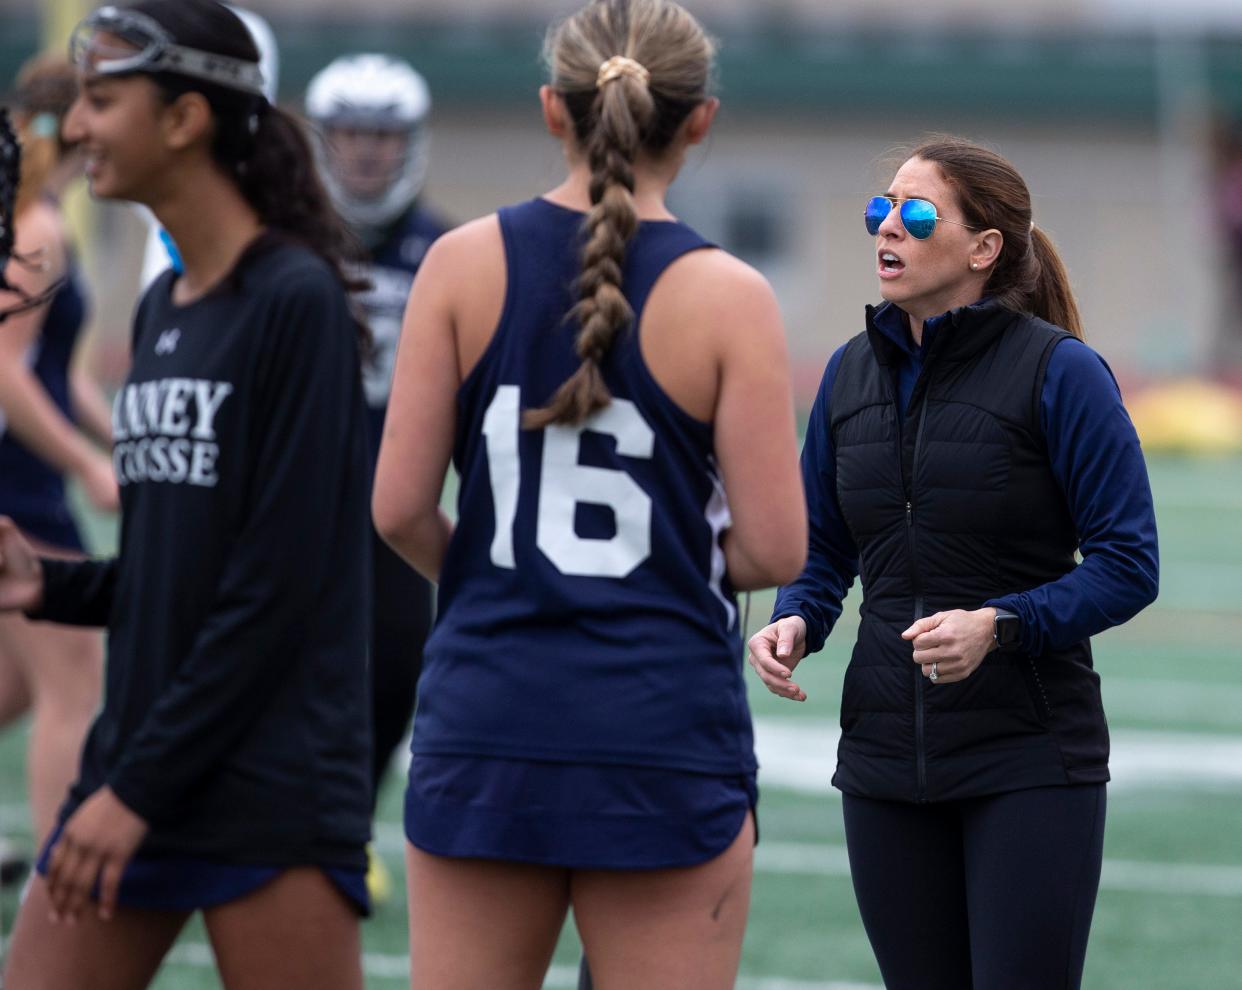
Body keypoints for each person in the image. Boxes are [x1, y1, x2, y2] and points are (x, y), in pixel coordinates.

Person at [371, 1, 807, 987]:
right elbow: (779, 550)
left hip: (487, 718)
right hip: (659, 729)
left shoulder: (459, 261)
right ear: (700, 120)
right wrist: (657, 561)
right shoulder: (732, 295)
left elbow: (396, 507)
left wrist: (497, 566)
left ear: (550, 110)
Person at [0, 3, 373, 988]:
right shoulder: (167, 303)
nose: (72, 128)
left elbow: (276, 590)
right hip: (139, 762)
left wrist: (137, 790)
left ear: (184, 119)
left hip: (264, 789)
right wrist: (49, 584)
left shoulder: (295, 302)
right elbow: (182, 568)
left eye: (100, 99)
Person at [747, 136, 1160, 990]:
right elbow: (824, 547)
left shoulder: (1063, 372)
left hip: (1030, 758)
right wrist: (797, 617)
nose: (888, 228)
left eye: (917, 212)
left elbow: (1129, 562)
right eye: (880, 211)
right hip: (883, 760)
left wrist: (1002, 625)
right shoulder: (846, 376)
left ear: (984, 248)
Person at [304, 53, 450, 901]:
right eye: (351, 132)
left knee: (398, 664)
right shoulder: (285, 239)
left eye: (383, 135)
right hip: (296, 494)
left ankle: (347, 825)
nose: (365, 153)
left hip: (399, 501)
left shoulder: (446, 248)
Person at [0, 53, 116, 875]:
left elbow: (55, 370)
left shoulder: (39, 218)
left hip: (26, 478)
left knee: (12, 688)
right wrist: (83, 465)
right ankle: (54, 876)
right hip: (20, 489)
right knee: (75, 682)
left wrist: (122, 440)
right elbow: (5, 371)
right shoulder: (35, 229)